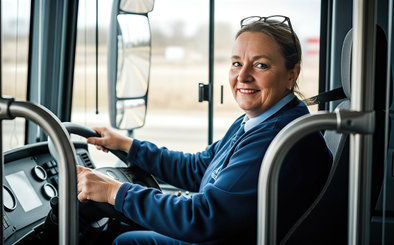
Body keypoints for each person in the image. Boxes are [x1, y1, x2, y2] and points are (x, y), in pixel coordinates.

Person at [77, 15, 332, 244]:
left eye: (260, 65)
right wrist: (127, 146)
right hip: (228, 232)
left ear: (292, 75)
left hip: (224, 235)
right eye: (236, 63)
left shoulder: (275, 138)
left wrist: (113, 191)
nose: (242, 76)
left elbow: (204, 216)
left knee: (124, 241)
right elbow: (198, 168)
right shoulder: (260, 121)